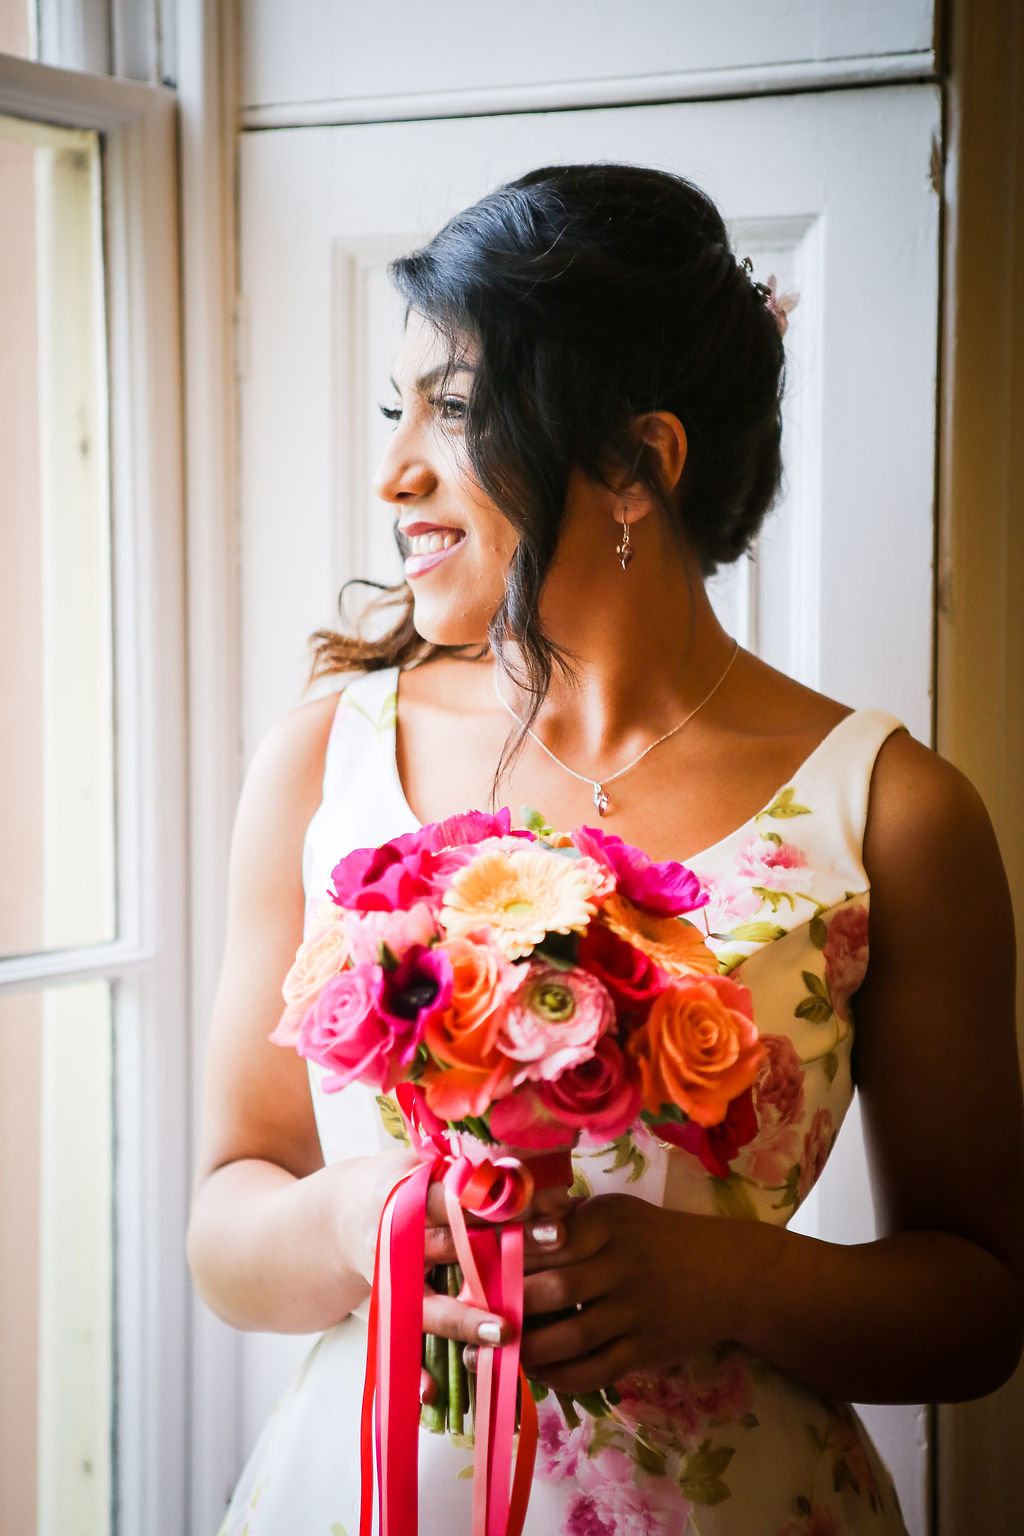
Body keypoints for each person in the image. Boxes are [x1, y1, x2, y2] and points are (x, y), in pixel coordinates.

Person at [188, 164, 1024, 1535]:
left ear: (638, 463)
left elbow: (981, 1313)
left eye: (452, 412)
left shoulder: (894, 813)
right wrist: (351, 1227)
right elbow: (227, 1228)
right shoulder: (326, 763)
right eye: (397, 409)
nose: (394, 469)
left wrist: (732, 1283)